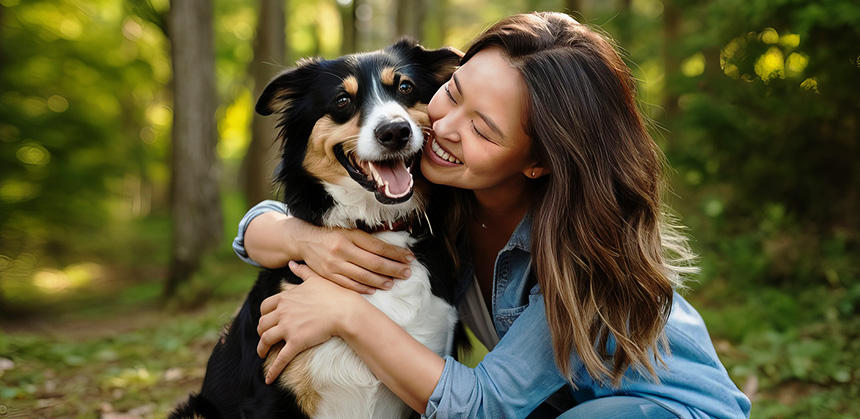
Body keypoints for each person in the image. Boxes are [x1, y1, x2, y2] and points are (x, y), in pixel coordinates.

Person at [232, 12, 751, 418]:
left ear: (538, 162)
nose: (446, 128)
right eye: (452, 94)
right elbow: (269, 219)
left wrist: (344, 312)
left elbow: (485, 406)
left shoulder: (581, 253)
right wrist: (299, 238)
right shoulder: (440, 195)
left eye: (483, 130)